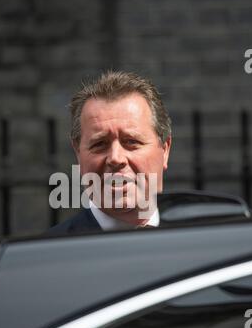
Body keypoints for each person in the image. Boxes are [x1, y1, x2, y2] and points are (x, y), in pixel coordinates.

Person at [49, 70, 172, 235]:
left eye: (131, 142)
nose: (116, 158)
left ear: (165, 150)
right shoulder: (47, 256)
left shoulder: (202, 245)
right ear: (78, 154)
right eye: (99, 144)